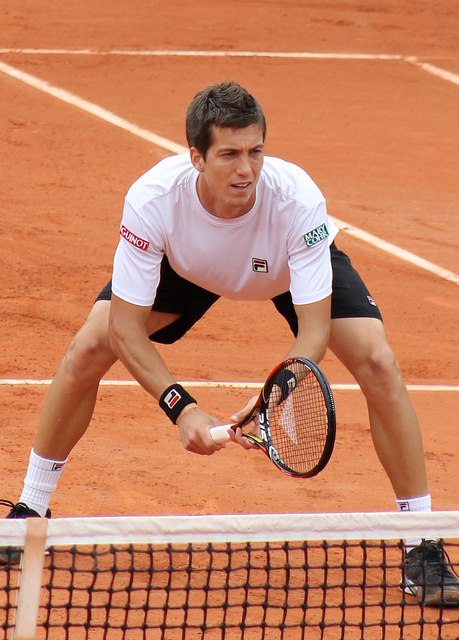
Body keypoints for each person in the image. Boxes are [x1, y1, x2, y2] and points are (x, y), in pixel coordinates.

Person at [1, 81, 457, 607]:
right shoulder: (153, 201)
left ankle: (421, 540)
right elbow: (124, 329)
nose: (246, 169)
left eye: (256, 151)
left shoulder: (297, 200)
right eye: (229, 155)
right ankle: (31, 507)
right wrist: (183, 408)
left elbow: (313, 331)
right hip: (188, 266)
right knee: (87, 349)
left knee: (379, 362)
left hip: (282, 268)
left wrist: (276, 392)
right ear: (196, 157)